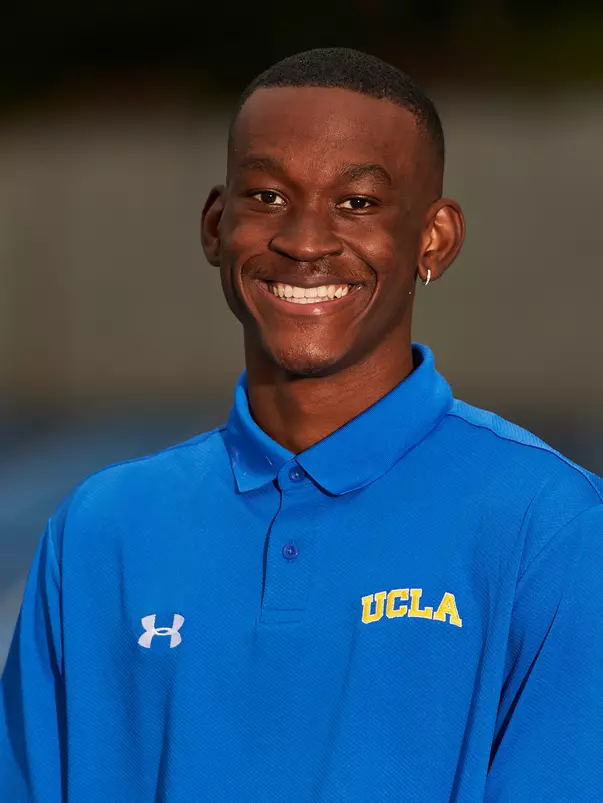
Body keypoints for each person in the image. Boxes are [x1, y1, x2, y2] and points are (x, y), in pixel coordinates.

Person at [1, 47, 602, 803]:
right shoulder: (98, 528)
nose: (305, 240)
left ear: (434, 239)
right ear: (217, 226)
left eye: (357, 202)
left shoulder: (551, 527)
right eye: (267, 196)